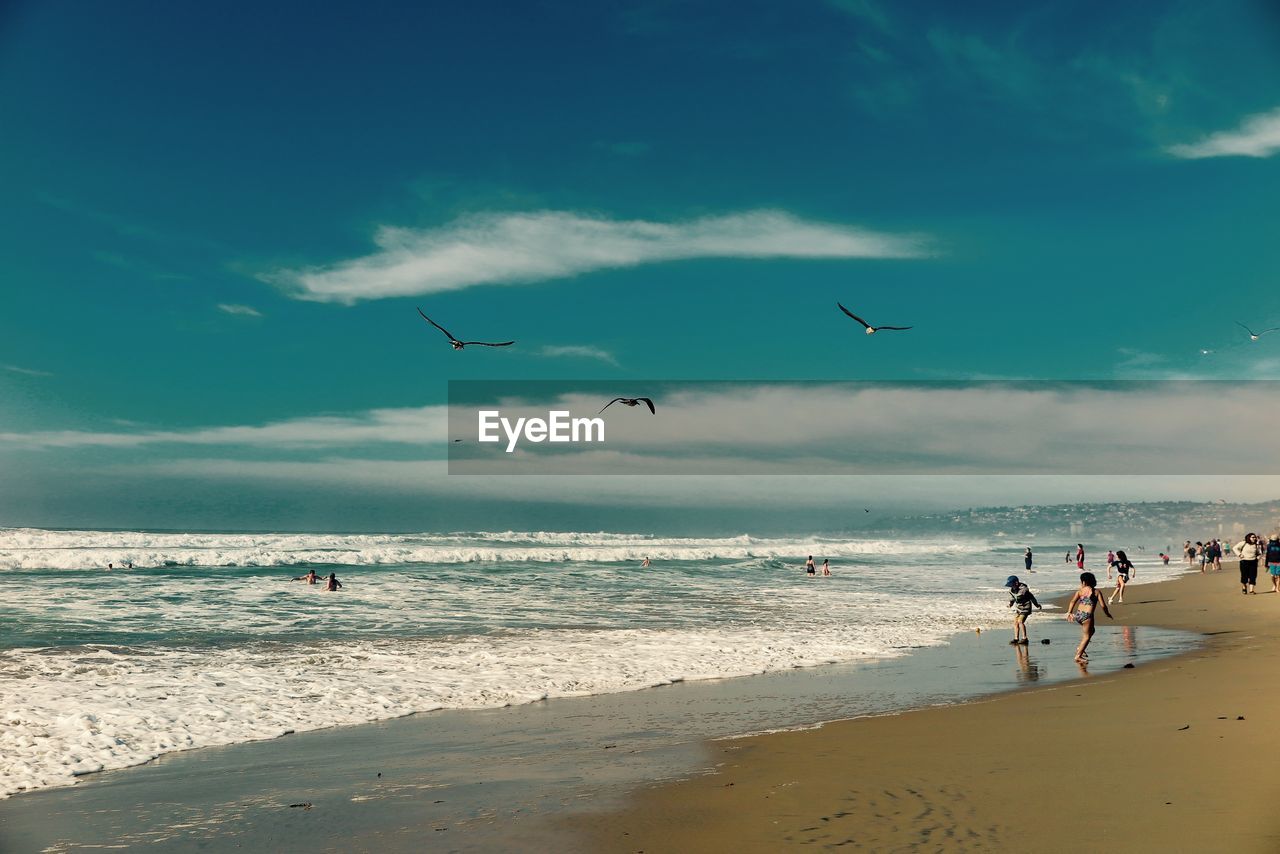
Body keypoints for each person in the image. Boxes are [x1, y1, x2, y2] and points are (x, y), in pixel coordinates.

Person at [1065, 571, 1112, 663]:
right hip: (1087, 616)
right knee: (1087, 636)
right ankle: (1078, 655)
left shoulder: (1080, 591)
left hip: (1078, 615)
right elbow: (1103, 606)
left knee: (1092, 631)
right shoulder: (1096, 592)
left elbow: (1072, 602)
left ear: (1083, 582)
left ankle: (1080, 647)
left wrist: (1069, 612)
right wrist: (1107, 614)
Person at [1004, 575, 1042, 645]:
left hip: (1026, 608)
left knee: (1020, 621)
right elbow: (1013, 598)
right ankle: (1016, 639)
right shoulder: (1011, 590)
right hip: (1018, 608)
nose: (1011, 587)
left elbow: (1032, 597)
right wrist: (1010, 604)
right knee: (1015, 623)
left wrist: (1036, 605)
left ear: (1016, 583)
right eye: (1010, 586)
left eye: (1012, 585)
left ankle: (1025, 638)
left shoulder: (1024, 590)